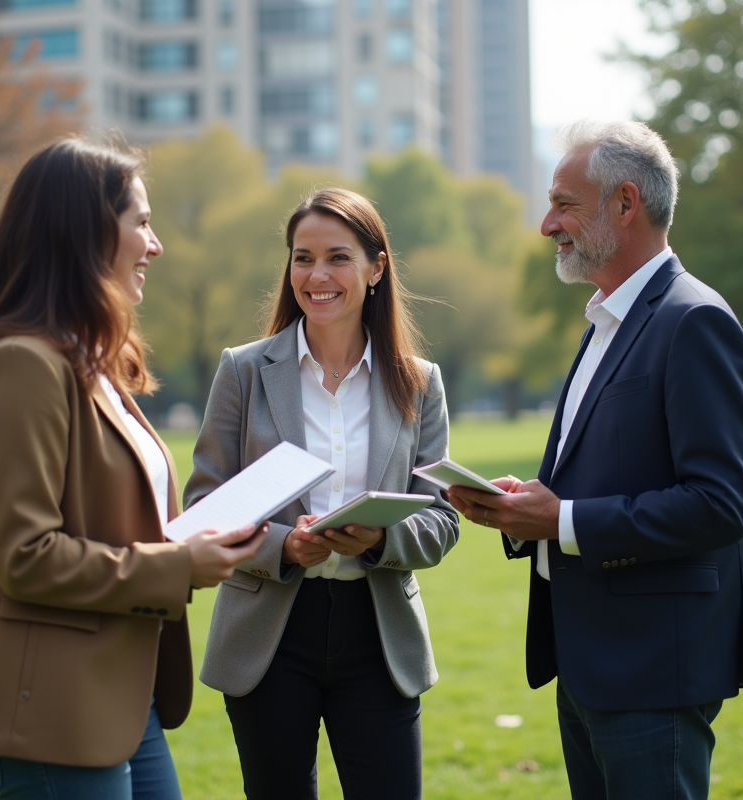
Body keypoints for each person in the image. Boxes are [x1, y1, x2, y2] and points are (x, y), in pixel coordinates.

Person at [0, 138, 266, 800]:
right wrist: (178, 567)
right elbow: (27, 556)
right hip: (49, 703)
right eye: (141, 222)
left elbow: (114, 524)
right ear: (82, 232)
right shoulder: (21, 365)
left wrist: (200, 542)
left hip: (117, 694)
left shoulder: (90, 364)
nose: (155, 244)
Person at [447, 120, 743, 800]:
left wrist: (562, 520)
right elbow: (607, 473)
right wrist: (525, 508)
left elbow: (718, 505)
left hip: (654, 667)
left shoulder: (693, 321)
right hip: (591, 658)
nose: (546, 225)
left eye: (564, 204)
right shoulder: (608, 320)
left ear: (626, 204)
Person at [185, 188, 459, 800]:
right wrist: (284, 547)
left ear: (376, 268)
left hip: (379, 634)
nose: (318, 275)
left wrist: (382, 538)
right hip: (270, 635)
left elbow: (442, 520)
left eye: (338, 257)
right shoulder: (243, 371)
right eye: (302, 257)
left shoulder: (419, 383)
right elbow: (203, 508)